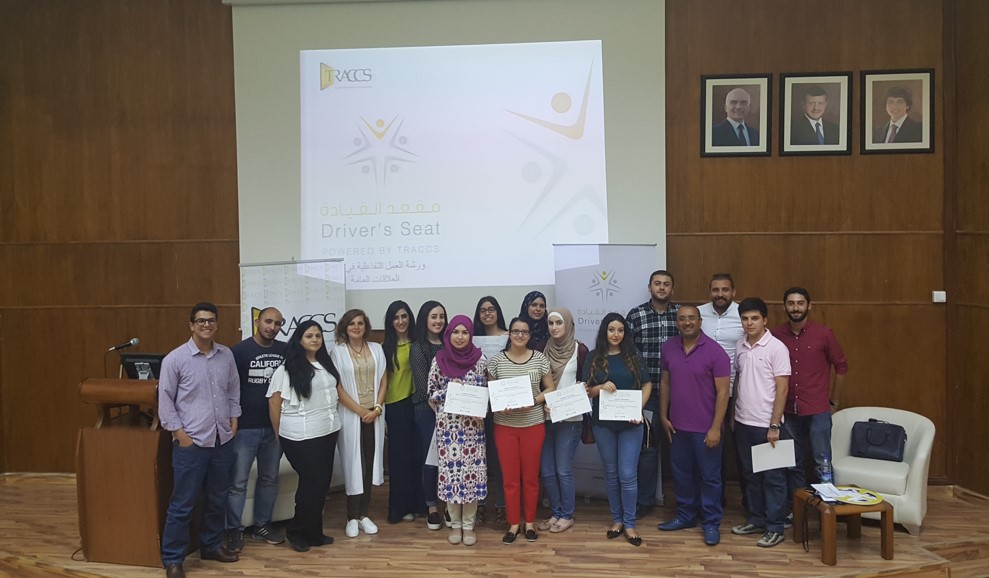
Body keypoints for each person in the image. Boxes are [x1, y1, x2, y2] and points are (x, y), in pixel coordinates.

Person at [158, 302, 240, 578]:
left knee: (217, 499)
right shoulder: (175, 359)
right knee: (183, 504)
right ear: (191, 325)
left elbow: (233, 390)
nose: (207, 325)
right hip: (191, 443)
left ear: (216, 324)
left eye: (211, 320)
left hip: (222, 440)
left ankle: (211, 545)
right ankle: (173, 559)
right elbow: (165, 401)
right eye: (201, 321)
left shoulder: (226, 355)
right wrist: (180, 435)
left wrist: (234, 418)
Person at [657, 305, 730, 546]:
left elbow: (723, 393)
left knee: (710, 478)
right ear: (677, 322)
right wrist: (663, 415)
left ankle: (711, 523)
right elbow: (665, 383)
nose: (686, 322)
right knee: (682, 475)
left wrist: (716, 427)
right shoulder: (669, 347)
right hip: (678, 427)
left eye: (691, 318)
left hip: (706, 428)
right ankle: (685, 516)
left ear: (700, 321)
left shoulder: (716, 352)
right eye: (682, 319)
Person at [771, 287, 848, 517]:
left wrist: (834, 402)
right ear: (784, 306)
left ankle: (828, 512)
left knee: (822, 462)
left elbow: (841, 367)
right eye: (791, 303)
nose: (795, 308)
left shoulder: (823, 334)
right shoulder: (775, 335)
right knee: (792, 463)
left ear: (809, 306)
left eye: (800, 303)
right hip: (787, 411)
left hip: (817, 410)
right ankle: (798, 512)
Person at [266, 320, 341, 552]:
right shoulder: (286, 369)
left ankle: (314, 533)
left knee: (322, 484)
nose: (315, 339)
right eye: (309, 336)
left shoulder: (325, 363)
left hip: (328, 430)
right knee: (311, 483)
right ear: (299, 340)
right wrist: (278, 433)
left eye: (318, 335)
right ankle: (296, 531)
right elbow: (274, 402)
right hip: (300, 435)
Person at [583, 312, 652, 547]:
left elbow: (647, 384)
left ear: (625, 333)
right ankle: (617, 520)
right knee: (611, 474)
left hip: (631, 424)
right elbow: (586, 390)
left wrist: (638, 407)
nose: (616, 334)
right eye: (611, 330)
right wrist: (600, 387)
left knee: (628, 474)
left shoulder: (633, 355)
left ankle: (630, 523)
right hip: (603, 424)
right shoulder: (594, 356)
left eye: (620, 330)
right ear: (605, 331)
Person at [487, 317, 555, 544]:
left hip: (533, 425)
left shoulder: (540, 358)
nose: (519, 335)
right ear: (509, 334)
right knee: (509, 478)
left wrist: (534, 400)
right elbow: (491, 393)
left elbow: (550, 387)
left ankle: (530, 522)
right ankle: (514, 523)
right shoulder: (496, 361)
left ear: (529, 336)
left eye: (524, 332)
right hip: (505, 427)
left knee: (531, 478)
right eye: (515, 331)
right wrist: (500, 403)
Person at [225, 307, 287, 553]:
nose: (272, 327)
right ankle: (233, 530)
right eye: (268, 322)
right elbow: (229, 388)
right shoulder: (238, 351)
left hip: (274, 428)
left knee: (269, 479)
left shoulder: (285, 351)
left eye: (277, 323)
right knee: (238, 482)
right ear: (257, 322)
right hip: (245, 428)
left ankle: (262, 526)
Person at [730, 298, 791, 548]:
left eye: (754, 318)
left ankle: (775, 527)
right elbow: (738, 380)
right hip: (743, 422)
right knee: (750, 476)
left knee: (773, 479)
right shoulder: (740, 345)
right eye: (745, 319)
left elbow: (783, 388)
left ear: (765, 320)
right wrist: (733, 415)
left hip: (768, 425)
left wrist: (774, 425)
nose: (749, 323)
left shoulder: (777, 348)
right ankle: (756, 519)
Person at [427, 315, 488, 546]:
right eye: (455, 332)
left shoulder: (480, 360)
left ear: (470, 335)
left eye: (464, 332)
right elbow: (430, 393)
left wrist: (480, 408)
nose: (460, 337)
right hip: (448, 430)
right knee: (452, 478)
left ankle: (468, 526)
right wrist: (450, 391)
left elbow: (486, 392)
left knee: (471, 477)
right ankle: (455, 525)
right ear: (448, 334)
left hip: (473, 430)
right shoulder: (439, 359)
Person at [330, 309, 388, 538]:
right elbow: (337, 388)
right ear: (345, 327)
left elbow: (384, 380)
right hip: (351, 416)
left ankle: (364, 514)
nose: (356, 327)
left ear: (366, 326)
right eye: (352, 323)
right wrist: (361, 411)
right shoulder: (337, 352)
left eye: (360, 323)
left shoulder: (377, 348)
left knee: (369, 463)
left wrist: (377, 409)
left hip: (375, 415)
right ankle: (351, 517)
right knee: (353, 464)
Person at [626, 270, 679, 517]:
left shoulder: (682, 315)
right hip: (646, 395)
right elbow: (627, 354)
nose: (662, 287)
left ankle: (684, 502)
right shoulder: (635, 315)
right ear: (649, 287)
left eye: (666, 284)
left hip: (679, 395)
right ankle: (645, 501)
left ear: (672, 289)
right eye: (657, 283)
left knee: (681, 448)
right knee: (647, 450)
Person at [538, 307, 588, 534]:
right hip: (545, 417)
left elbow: (587, 381)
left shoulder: (581, 350)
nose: (554, 327)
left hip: (571, 419)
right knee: (547, 470)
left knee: (563, 469)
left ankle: (567, 515)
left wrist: (584, 387)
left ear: (568, 324)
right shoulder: (541, 349)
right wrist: (541, 401)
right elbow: (536, 383)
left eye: (559, 323)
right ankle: (555, 512)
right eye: (551, 323)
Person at [697, 274, 746, 506]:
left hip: (738, 392)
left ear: (733, 292)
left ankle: (750, 502)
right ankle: (713, 498)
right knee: (707, 447)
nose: (720, 294)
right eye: (715, 290)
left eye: (725, 290)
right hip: (704, 393)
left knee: (738, 447)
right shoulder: (698, 314)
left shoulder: (743, 315)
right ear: (710, 292)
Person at [410, 300, 448, 530]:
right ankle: (432, 507)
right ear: (425, 319)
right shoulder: (418, 347)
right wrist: (441, 408)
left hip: (451, 413)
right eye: (434, 316)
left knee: (449, 459)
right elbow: (424, 387)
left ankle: (450, 505)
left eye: (441, 316)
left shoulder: (451, 344)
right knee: (430, 460)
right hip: (427, 411)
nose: (438, 321)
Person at [382, 300, 420, 523]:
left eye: (404, 316)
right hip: (395, 406)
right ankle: (399, 507)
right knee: (399, 459)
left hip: (416, 404)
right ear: (390, 321)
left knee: (417, 456)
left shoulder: (418, 344)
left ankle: (418, 505)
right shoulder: (384, 349)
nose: (400, 321)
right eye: (396, 317)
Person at [471, 296, 509, 524]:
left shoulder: (508, 337)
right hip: (478, 405)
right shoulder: (471, 340)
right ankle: (480, 505)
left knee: (501, 458)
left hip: (503, 405)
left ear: (498, 312)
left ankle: (502, 504)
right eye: (483, 310)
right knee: (480, 457)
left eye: (491, 309)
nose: (487, 313)